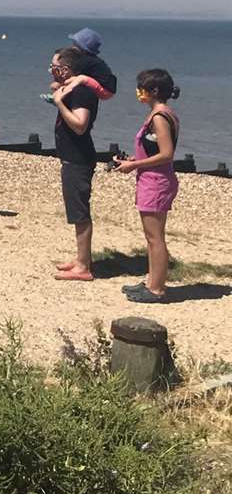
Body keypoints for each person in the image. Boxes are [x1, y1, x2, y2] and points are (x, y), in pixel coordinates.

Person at [113, 69, 181, 304]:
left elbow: (167, 153)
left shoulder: (160, 117)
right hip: (151, 179)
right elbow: (154, 149)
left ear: (154, 91)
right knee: (151, 236)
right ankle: (152, 281)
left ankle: (157, 289)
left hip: (157, 182)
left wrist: (135, 165)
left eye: (141, 87)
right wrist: (134, 159)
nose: (138, 92)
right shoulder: (161, 114)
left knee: (155, 237)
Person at [49, 45, 101, 281]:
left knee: (79, 212)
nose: (51, 70)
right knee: (75, 210)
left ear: (66, 69)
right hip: (71, 157)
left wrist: (59, 103)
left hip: (78, 158)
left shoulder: (83, 91)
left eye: (55, 67)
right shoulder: (74, 88)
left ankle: (84, 266)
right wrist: (60, 92)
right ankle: (81, 258)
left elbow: (80, 125)